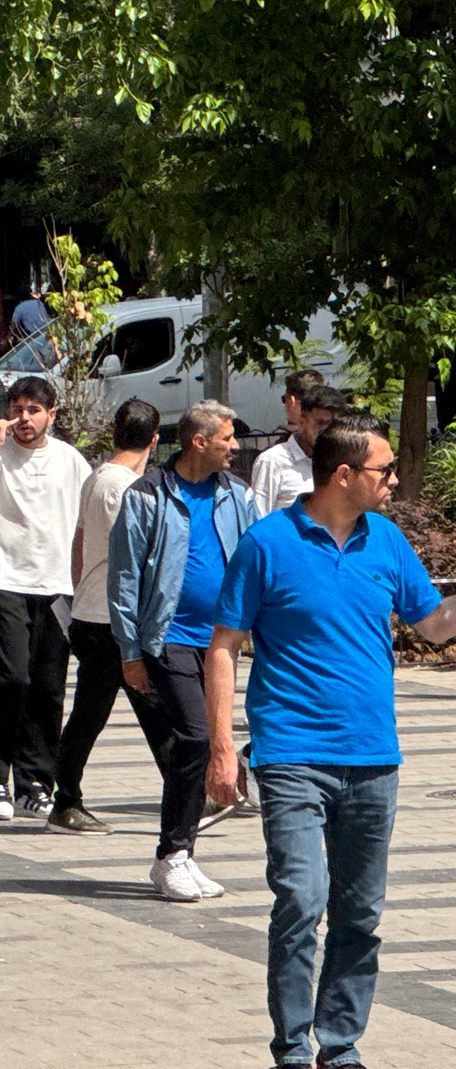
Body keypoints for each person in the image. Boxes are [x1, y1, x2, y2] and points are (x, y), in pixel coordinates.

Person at [206, 411, 456, 1069]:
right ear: (343, 473)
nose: (393, 481)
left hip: (375, 758)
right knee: (301, 897)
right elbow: (225, 647)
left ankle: (338, 1047)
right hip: (291, 752)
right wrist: (223, 748)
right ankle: (292, 1049)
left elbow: (434, 628)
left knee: (360, 913)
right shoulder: (267, 543)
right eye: (384, 470)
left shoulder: (387, 542)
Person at [107, 401, 257, 900]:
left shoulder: (238, 495)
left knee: (198, 743)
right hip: (168, 636)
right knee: (195, 738)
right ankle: (172, 855)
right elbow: (124, 577)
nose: (235, 446)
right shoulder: (148, 496)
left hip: (222, 641)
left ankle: (181, 853)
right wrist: (130, 651)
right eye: (227, 438)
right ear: (199, 441)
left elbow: (258, 562)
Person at [0, 375, 92, 821]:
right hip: (3, 578)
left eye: (34, 410)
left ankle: (35, 782)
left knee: (48, 688)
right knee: (11, 679)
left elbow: (90, 519)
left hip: (56, 585)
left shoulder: (71, 461)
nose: (24, 418)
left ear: (52, 415)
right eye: (17, 408)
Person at [46, 399, 174, 836]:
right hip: (114, 621)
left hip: (92, 612)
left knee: (135, 709)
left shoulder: (97, 479)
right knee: (128, 709)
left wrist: (80, 591)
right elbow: (138, 562)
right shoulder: (131, 489)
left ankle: (187, 787)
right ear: (154, 440)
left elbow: (80, 543)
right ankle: (65, 800)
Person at [251, 384, 347, 516]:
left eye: (332, 425)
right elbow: (258, 517)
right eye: (320, 423)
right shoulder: (273, 461)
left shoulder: (340, 463)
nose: (326, 431)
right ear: (302, 421)